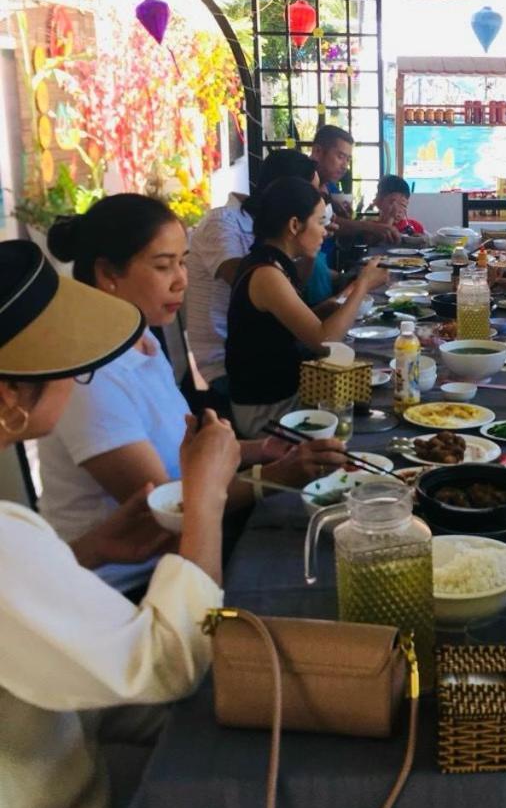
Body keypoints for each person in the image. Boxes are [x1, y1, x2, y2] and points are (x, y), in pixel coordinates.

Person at [0, 239, 240, 808]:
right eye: (68, 364)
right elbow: (171, 665)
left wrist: (88, 551)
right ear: (11, 402)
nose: (80, 375)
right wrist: (203, 500)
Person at [39, 196, 351, 592]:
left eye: (183, 262)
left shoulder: (141, 344)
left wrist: (261, 448)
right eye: (163, 265)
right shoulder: (89, 379)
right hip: (127, 588)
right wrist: (273, 475)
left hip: (183, 554)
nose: (181, 280)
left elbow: (182, 450)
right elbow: (172, 507)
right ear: (107, 274)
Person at [226, 178, 388, 437]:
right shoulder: (267, 274)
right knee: (370, 419)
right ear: (294, 225)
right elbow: (325, 341)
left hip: (286, 395)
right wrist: (363, 286)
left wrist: (339, 300)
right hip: (268, 412)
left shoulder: (271, 262)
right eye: (320, 222)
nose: (325, 231)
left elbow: (296, 325)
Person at [186, 149, 319, 393]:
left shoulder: (267, 233)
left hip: (268, 350)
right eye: (311, 194)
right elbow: (252, 284)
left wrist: (308, 249)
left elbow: (289, 287)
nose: (318, 199)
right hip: (228, 365)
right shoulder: (223, 222)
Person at [309, 124, 401, 246]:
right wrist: (369, 226)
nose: (344, 166)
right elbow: (322, 221)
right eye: (340, 156)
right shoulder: (300, 185)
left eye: (348, 160)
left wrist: (388, 219)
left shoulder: (331, 187)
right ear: (317, 151)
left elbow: (345, 233)